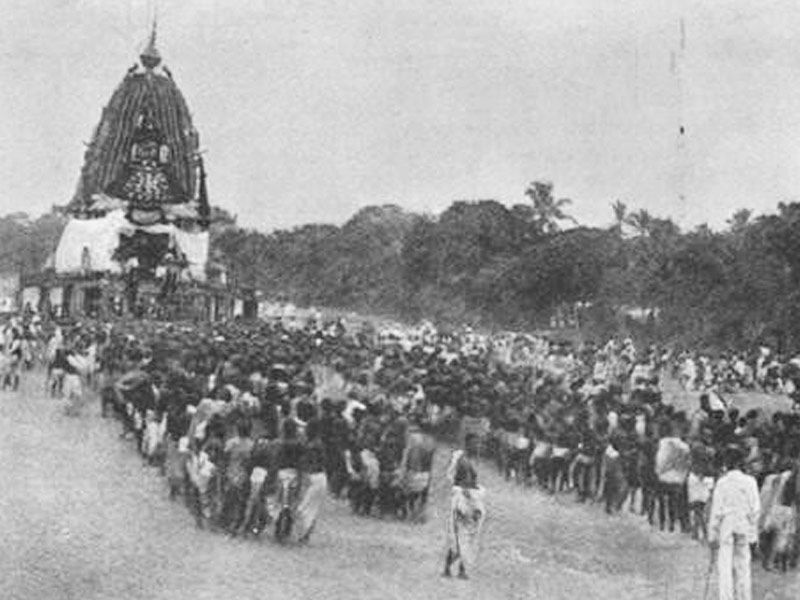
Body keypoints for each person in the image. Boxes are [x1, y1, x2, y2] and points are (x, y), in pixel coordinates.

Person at [708, 445, 761, 600]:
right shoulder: (750, 481)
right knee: (743, 566)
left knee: (725, 566)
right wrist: (753, 533)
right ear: (741, 462)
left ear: (726, 462)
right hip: (743, 524)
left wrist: (712, 535)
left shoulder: (722, 482)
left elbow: (716, 512)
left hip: (727, 526)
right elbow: (755, 510)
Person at [443, 433, 486, 580]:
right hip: (461, 499)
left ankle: (460, 569)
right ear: (468, 444)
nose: (477, 446)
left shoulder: (469, 460)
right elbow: (456, 479)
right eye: (475, 443)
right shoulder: (461, 459)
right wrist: (464, 491)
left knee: (466, 536)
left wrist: (476, 492)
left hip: (469, 498)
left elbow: (470, 480)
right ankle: (448, 568)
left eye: (478, 444)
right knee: (460, 534)